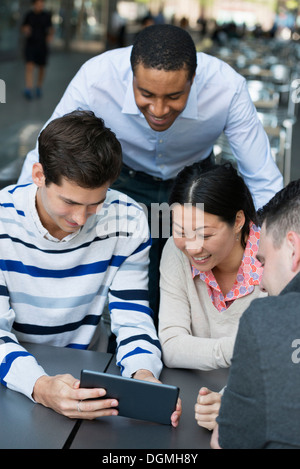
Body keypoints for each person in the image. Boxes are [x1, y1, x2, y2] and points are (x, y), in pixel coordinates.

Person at [17, 24, 283, 318]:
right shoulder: (97, 77)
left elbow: (262, 179)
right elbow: (46, 152)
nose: (158, 110)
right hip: (124, 182)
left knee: (190, 290)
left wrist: (275, 253)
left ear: (193, 79)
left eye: (173, 97)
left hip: (191, 189)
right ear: (131, 75)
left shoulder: (226, 87)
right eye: (146, 94)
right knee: (129, 291)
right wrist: (14, 223)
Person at [0, 110, 180, 426]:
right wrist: (40, 387)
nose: (81, 220)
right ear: (39, 175)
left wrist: (143, 374)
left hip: (87, 379)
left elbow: (132, 316)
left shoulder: (128, 219)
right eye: (69, 202)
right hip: (11, 379)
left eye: (95, 203)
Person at [211, 179, 300, 449]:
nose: (260, 281)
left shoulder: (269, 319)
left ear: (294, 249)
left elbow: (225, 442)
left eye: (263, 261)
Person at [159, 162, 266, 372]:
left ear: (237, 221)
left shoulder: (275, 261)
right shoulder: (175, 250)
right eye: (180, 231)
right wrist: (242, 349)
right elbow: (170, 345)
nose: (192, 248)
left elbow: (275, 357)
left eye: (205, 235)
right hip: (193, 393)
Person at [21, 0, 54, 99]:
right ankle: (28, 88)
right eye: (38, 3)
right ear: (34, 4)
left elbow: (51, 29)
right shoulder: (29, 15)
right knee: (29, 66)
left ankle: (39, 87)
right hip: (30, 45)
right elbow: (23, 27)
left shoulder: (47, 15)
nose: (40, 5)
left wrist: (50, 35)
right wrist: (25, 29)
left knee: (41, 67)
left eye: (42, 3)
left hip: (42, 46)